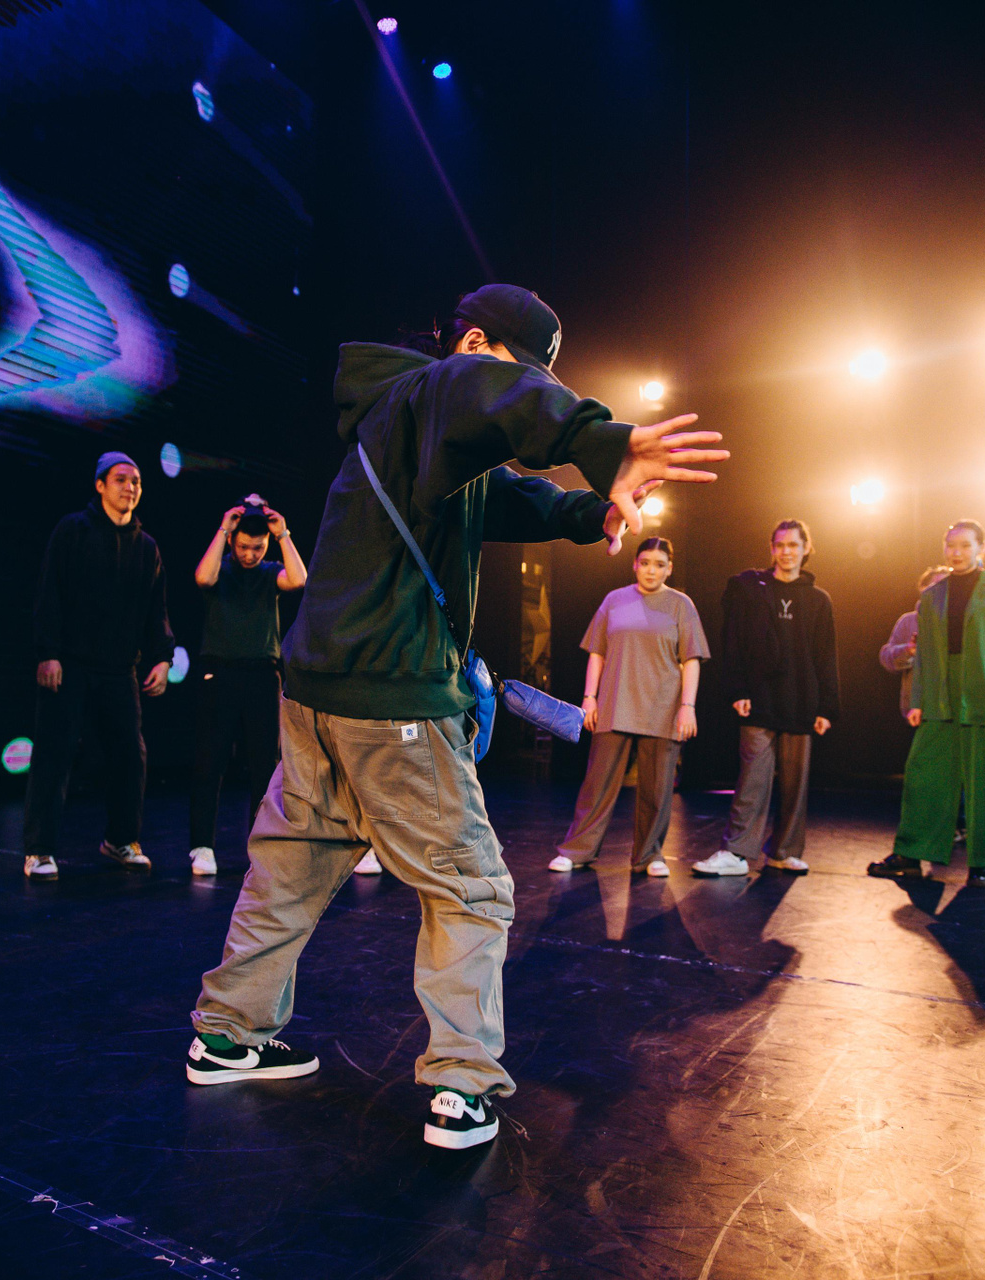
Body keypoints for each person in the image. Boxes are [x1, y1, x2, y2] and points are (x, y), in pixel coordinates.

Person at [186, 283, 728, 1151]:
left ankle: (225, 1036)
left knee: (290, 866)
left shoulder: (406, 421)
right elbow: (482, 388)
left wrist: (589, 510)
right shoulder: (438, 385)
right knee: (473, 888)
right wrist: (604, 441)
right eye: (521, 368)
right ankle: (460, 1087)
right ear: (473, 341)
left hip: (317, 692)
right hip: (393, 698)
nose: (521, 387)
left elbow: (506, 494)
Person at [20, 452, 174, 881]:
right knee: (54, 754)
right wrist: (48, 651)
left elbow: (155, 609)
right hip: (70, 664)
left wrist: (162, 657)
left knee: (130, 756)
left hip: (119, 669)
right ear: (100, 485)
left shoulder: (147, 547)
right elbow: (50, 591)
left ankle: (121, 839)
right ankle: (39, 849)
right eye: (121, 479)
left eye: (136, 481)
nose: (131, 487)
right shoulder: (73, 530)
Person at [869, 520, 985, 889]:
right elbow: (924, 654)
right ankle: (910, 854)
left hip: (983, 692)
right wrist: (918, 699)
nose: (957, 552)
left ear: (981, 548)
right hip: (940, 692)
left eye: (965, 545)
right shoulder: (933, 596)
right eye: (951, 545)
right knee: (924, 775)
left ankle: (981, 864)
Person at [549, 537, 709, 879]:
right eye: (645, 562)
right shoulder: (615, 599)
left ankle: (649, 855)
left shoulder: (681, 604)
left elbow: (692, 659)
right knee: (597, 783)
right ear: (635, 564)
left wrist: (688, 706)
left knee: (657, 787)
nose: (651, 570)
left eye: (659, 564)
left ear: (669, 568)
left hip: (663, 704)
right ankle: (577, 850)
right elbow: (597, 652)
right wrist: (589, 697)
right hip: (615, 701)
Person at [694, 518, 839, 877]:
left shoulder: (819, 599)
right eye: (780, 545)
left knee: (794, 783)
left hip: (801, 699)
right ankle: (737, 853)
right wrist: (738, 690)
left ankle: (784, 851)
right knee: (752, 779)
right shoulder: (752, 591)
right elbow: (734, 643)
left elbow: (826, 656)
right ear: (772, 549)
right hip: (759, 698)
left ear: (806, 549)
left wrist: (826, 707)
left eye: (794, 545)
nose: (786, 552)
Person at [187, 494, 308, 878]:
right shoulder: (220, 569)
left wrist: (283, 533)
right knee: (210, 763)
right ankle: (202, 847)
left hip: (262, 676)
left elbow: (299, 579)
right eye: (242, 546)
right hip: (219, 674)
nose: (249, 554)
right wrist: (225, 527)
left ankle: (261, 848)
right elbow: (202, 577)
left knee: (263, 768)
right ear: (232, 541)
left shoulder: (270, 571)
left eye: (257, 547)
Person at [879, 566, 953, 717]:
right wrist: (909, 651)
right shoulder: (908, 621)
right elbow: (886, 659)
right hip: (920, 710)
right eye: (937, 585)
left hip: (956, 706)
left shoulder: (964, 620)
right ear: (923, 589)